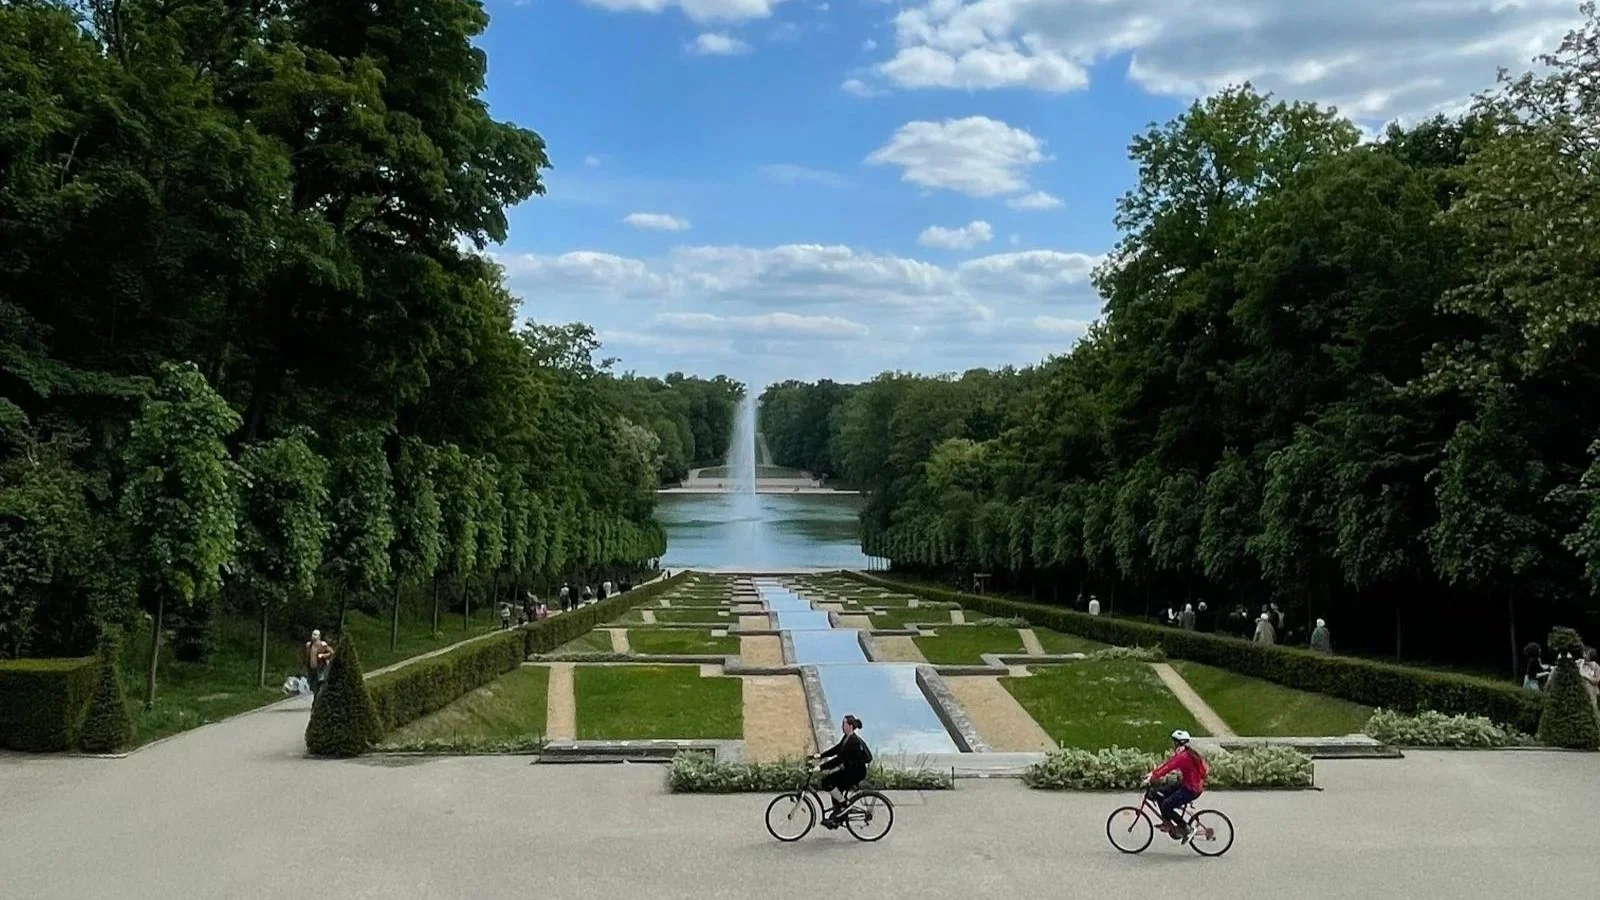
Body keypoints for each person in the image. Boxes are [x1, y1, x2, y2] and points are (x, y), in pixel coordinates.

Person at [1141, 729, 1209, 842]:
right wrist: (1153, 773)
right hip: (1187, 784)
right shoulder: (1185, 753)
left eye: (1174, 742)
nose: (1173, 744)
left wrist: (1153, 777)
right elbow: (1168, 764)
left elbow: (1169, 767)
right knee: (1157, 793)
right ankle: (1166, 822)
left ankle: (1186, 828)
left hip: (1191, 789)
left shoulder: (1184, 757)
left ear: (1178, 743)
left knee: (1166, 805)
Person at [810, 715, 872, 827]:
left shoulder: (853, 742)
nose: (842, 726)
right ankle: (837, 816)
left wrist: (820, 767)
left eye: (844, 724)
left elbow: (839, 760)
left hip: (855, 773)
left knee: (827, 782)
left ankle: (844, 805)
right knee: (833, 785)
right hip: (850, 770)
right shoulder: (847, 737)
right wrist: (820, 755)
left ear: (850, 726)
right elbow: (836, 749)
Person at [304, 630, 334, 696]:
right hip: (312, 669)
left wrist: (323, 655)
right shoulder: (309, 645)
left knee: (320, 684)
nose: (313, 636)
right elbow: (307, 657)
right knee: (313, 686)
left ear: (319, 636)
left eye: (315, 635)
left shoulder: (323, 645)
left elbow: (332, 652)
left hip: (320, 668)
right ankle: (316, 697)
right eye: (313, 634)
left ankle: (319, 697)